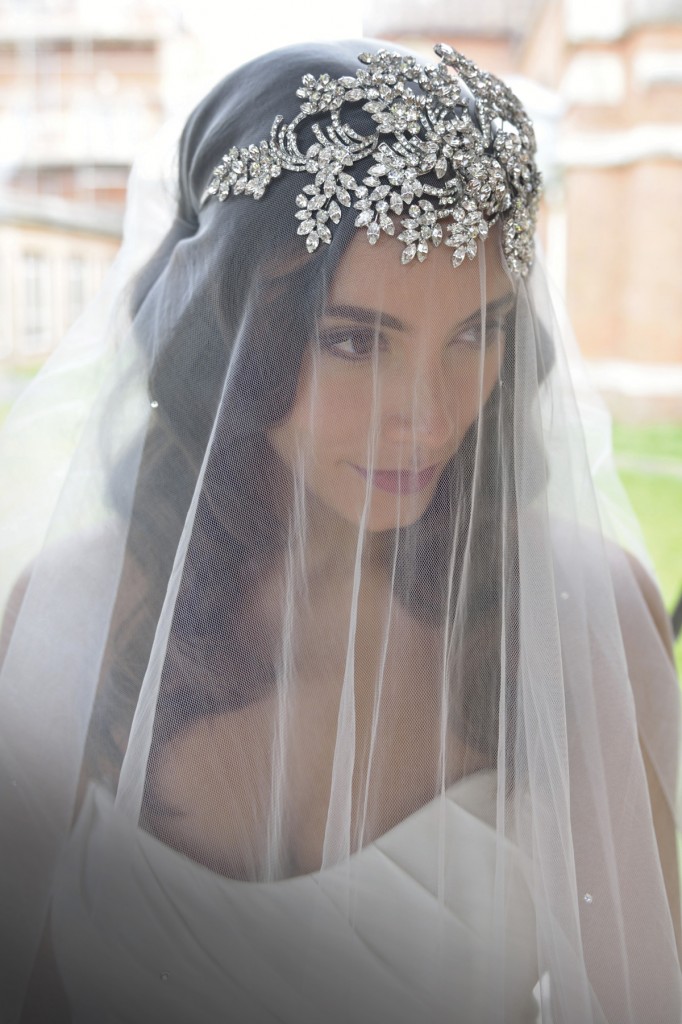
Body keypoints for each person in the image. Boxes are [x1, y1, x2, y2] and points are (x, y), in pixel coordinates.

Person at [0, 39, 680, 1024]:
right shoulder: (75, 611)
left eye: (474, 332)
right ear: (233, 334)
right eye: (357, 340)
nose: (431, 417)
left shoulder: (583, 616)